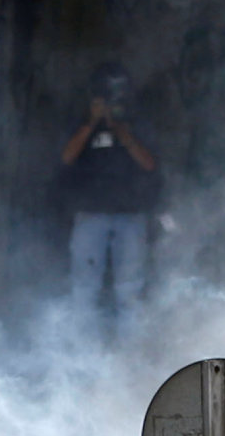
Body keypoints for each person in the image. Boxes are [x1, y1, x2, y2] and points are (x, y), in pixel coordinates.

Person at [57, 62, 160, 318]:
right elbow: (66, 158)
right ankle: (82, 349)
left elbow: (150, 163)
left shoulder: (137, 122)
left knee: (130, 289)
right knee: (84, 288)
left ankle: (131, 349)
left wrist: (124, 134)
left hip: (131, 214)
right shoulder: (81, 122)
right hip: (90, 214)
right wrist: (91, 123)